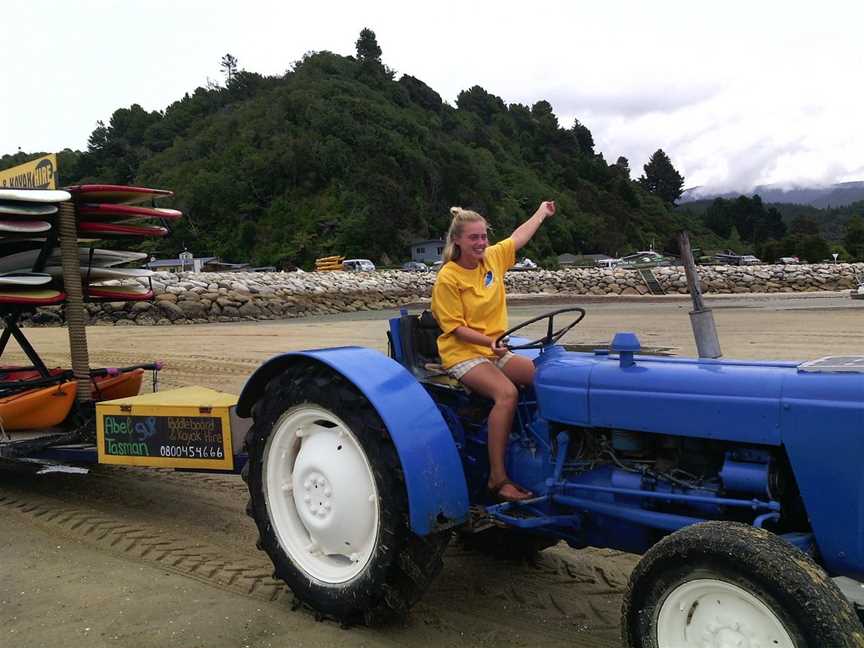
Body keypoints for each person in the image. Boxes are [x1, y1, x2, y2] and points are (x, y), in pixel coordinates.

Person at [431, 201, 556, 502]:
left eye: (483, 236)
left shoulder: (492, 259)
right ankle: (497, 479)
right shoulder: (448, 277)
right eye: (473, 238)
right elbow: (456, 328)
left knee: (545, 378)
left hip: (494, 351)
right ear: (457, 241)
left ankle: (544, 447)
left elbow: (519, 237)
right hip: (463, 354)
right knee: (507, 394)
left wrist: (541, 213)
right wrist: (490, 343)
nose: (480, 243)